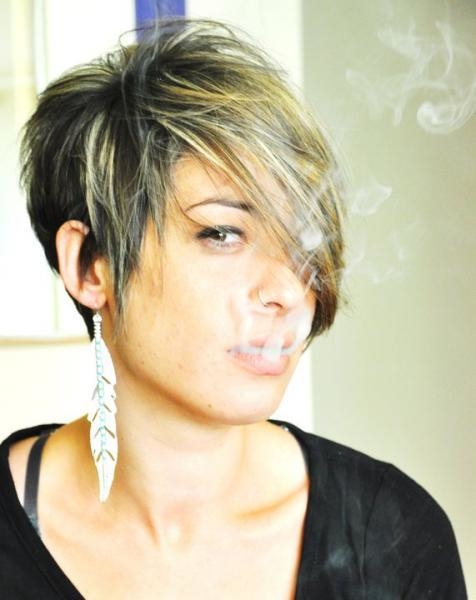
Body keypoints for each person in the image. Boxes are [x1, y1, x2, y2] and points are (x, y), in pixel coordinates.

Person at [0, 18, 467, 599]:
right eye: (223, 234)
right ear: (91, 265)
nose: (290, 292)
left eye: (301, 243)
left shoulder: (394, 539)